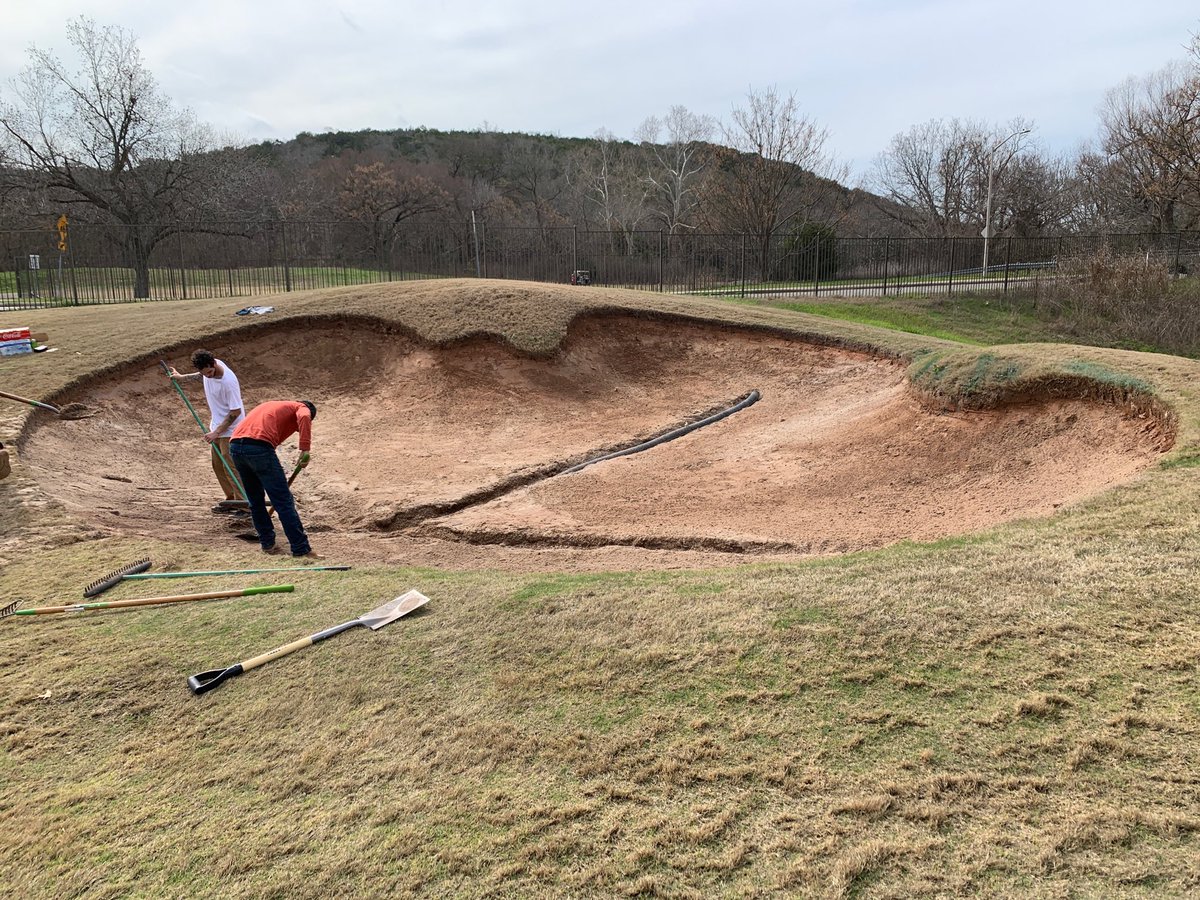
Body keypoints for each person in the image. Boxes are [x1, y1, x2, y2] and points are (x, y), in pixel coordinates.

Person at [229, 400, 321, 559]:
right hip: (258, 447)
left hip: (236, 447)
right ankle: (301, 549)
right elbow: (305, 415)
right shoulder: (301, 408)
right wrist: (305, 449)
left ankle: (268, 544)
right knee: (283, 501)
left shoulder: (273, 405)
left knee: (255, 501)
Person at [167, 351, 245, 512]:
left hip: (231, 430)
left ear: (213, 364)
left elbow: (235, 412)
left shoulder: (228, 383)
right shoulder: (209, 369)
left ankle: (244, 506)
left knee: (231, 467)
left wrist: (216, 433)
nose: (207, 377)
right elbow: (199, 375)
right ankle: (231, 500)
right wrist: (182, 378)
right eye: (205, 374)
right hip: (217, 426)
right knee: (218, 465)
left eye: (209, 372)